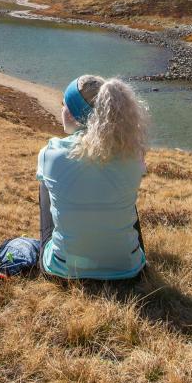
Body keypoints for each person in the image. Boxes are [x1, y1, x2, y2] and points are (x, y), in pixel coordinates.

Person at [37, 75, 147, 280]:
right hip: (130, 271)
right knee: (123, 191)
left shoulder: (51, 153)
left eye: (64, 104)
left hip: (64, 271)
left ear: (72, 113)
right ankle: (119, 252)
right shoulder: (132, 154)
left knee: (45, 185)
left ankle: (65, 250)